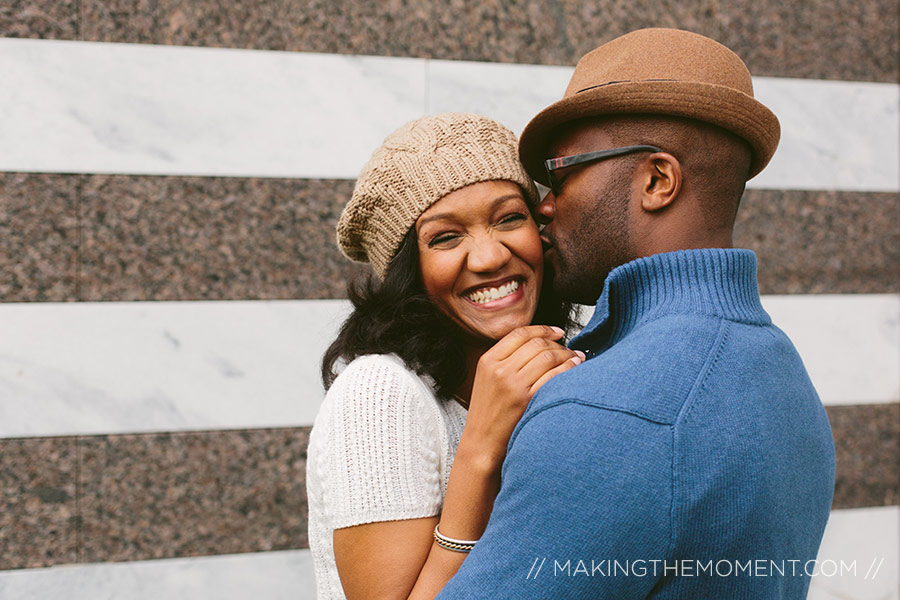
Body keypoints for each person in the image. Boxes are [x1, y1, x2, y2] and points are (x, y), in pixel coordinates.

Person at [436, 28, 836, 599]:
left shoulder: (606, 410)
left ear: (657, 180)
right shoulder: (784, 374)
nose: (544, 203)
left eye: (562, 172)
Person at [306, 113, 582, 599]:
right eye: (446, 237)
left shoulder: (563, 362)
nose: (490, 256)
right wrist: (480, 449)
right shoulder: (379, 393)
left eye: (509, 218)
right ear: (409, 273)